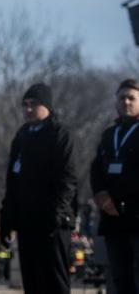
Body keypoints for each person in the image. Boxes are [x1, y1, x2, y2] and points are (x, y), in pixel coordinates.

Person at [0, 83, 77, 294]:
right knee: (32, 281)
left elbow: (67, 180)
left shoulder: (59, 134)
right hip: (27, 223)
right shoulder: (22, 136)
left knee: (54, 282)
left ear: (47, 106)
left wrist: (56, 216)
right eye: (25, 105)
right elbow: (12, 181)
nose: (28, 109)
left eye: (34, 104)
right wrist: (7, 219)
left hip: (53, 225)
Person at [90, 78, 139, 294]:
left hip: (137, 217)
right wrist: (101, 195)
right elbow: (96, 169)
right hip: (113, 218)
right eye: (122, 98)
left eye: (132, 98)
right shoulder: (109, 135)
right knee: (119, 276)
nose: (126, 102)